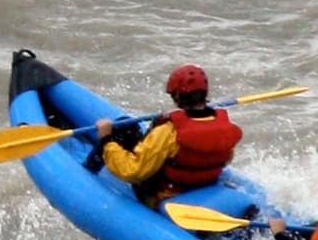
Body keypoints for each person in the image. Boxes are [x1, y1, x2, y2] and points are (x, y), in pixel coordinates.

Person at [91, 67, 246, 210]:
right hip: (204, 186)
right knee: (132, 130)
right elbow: (226, 160)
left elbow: (134, 171)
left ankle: (87, 172)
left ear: (177, 97)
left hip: (166, 195)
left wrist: (106, 140)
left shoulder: (168, 132)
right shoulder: (224, 127)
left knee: (122, 129)